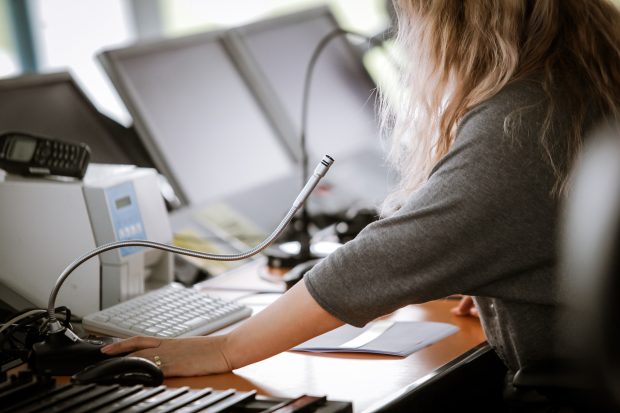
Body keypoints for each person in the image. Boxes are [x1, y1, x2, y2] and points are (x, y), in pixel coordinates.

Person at [102, 0, 620, 390]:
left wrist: (224, 348)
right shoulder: (584, 81)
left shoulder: (521, 124)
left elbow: (372, 266)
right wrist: (507, 273)